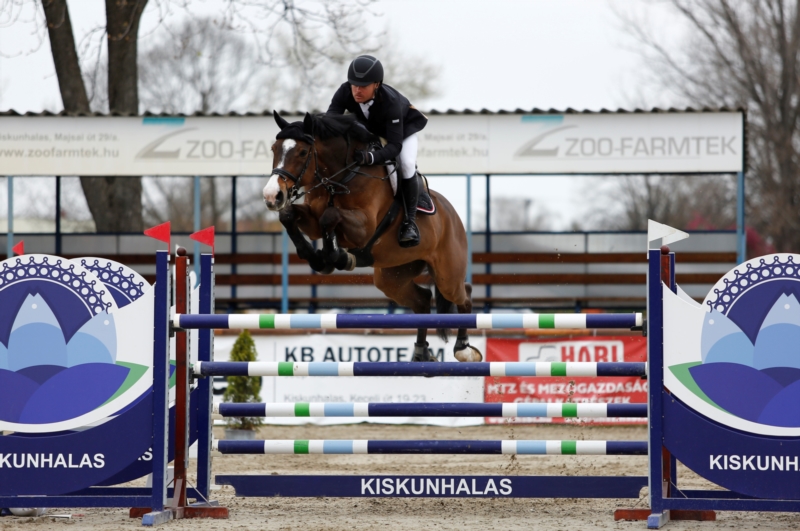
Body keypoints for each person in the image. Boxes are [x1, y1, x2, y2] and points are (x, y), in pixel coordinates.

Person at [326, 55, 428, 247]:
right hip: (372, 129)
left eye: (363, 85)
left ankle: (409, 223)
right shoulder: (345, 91)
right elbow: (331, 120)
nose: (357, 90)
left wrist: (371, 157)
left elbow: (394, 146)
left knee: (406, 164)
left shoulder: (392, 103)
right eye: (354, 84)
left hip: (402, 132)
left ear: (376, 84)